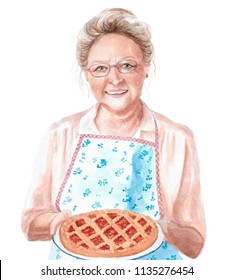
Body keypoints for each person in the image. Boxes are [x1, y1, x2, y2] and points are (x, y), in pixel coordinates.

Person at [21, 8, 205, 260]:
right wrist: (61, 223)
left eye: (127, 65)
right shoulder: (60, 135)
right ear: (86, 74)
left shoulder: (178, 139)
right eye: (100, 68)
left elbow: (195, 244)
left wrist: (158, 229)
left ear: (146, 69)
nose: (115, 79)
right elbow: (30, 224)